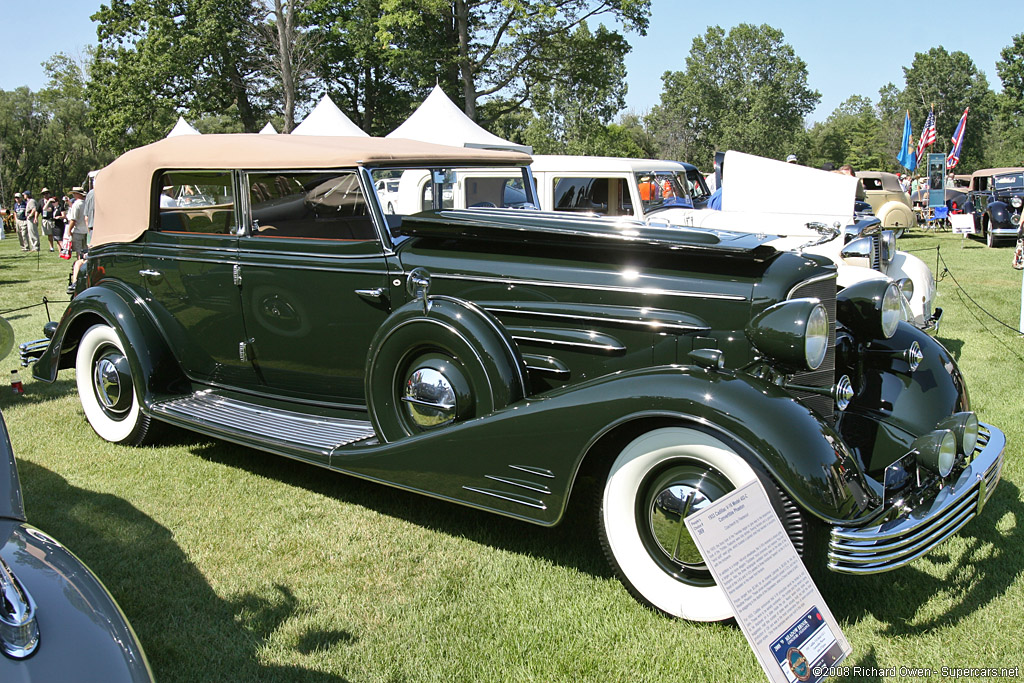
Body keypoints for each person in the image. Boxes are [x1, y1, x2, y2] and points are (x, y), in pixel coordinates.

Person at [64, 186, 88, 259]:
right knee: (85, 251)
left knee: (79, 251)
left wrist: (69, 230)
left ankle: (79, 265)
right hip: (86, 230)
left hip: (78, 231)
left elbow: (73, 219)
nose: (73, 195)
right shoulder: (86, 203)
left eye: (74, 193)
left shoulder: (76, 204)